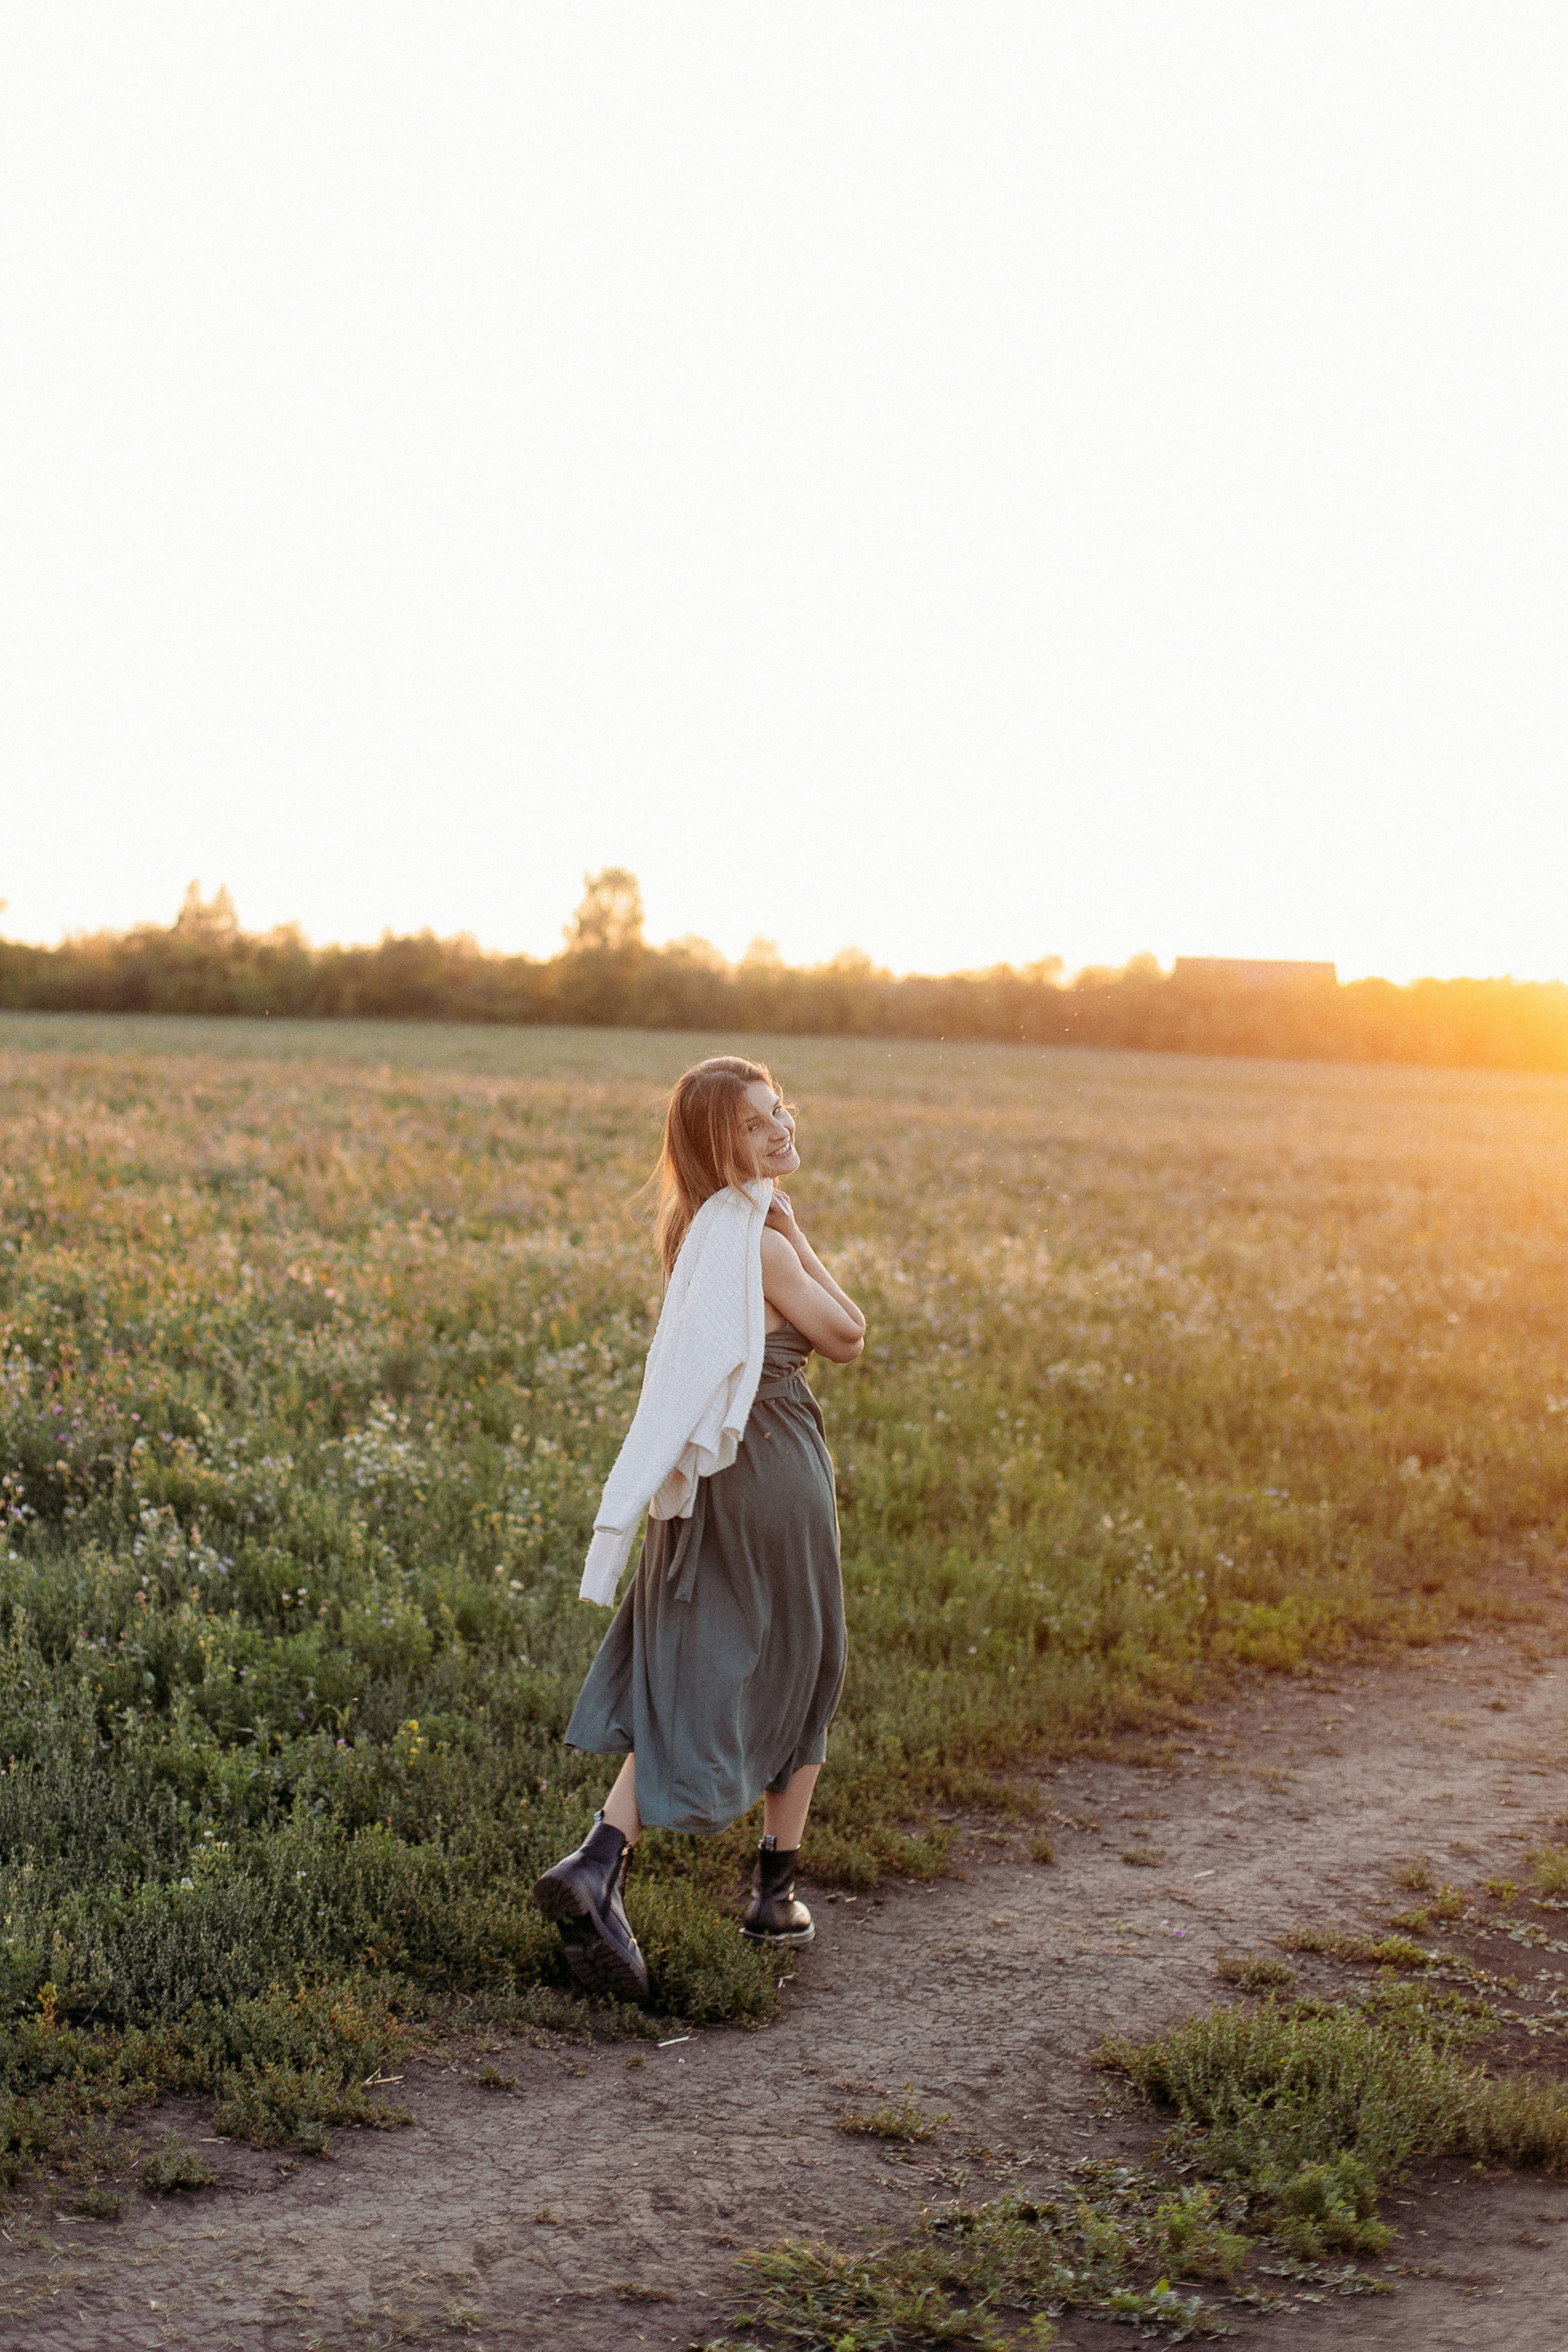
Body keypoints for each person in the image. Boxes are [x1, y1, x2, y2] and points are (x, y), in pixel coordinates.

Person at [532, 1055, 866, 2002]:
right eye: (761, 1123)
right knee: (802, 1655)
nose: (783, 1129)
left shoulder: (693, 1231)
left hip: (706, 1470)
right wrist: (794, 1232)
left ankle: (602, 1860)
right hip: (770, 1463)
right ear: (724, 1144)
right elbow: (848, 1333)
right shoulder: (759, 1240)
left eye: (782, 1111)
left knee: (695, 1655)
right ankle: (772, 1892)